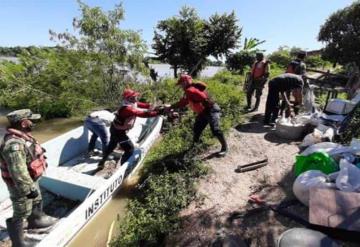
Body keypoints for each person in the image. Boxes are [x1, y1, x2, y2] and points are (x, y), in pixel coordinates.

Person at [0, 109, 57, 247]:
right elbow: (18, 172)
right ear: (24, 123)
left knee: (36, 199)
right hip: (20, 185)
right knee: (21, 210)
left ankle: (37, 220)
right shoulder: (14, 145)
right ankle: (19, 243)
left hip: (31, 179)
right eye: (31, 120)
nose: (34, 123)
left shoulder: (24, 137)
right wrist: (28, 189)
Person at [169, 74, 228, 156]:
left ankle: (225, 148)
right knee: (197, 129)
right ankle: (195, 147)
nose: (181, 86)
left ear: (186, 82)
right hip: (204, 112)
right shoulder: (190, 89)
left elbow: (202, 99)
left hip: (211, 110)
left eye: (181, 84)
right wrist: (171, 106)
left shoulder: (190, 90)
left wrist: (171, 107)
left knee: (215, 129)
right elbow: (184, 102)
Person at [98, 89, 158, 168]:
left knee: (112, 146)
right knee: (129, 149)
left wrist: (152, 106)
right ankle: (123, 169)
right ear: (130, 98)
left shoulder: (132, 103)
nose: (136, 97)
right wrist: (158, 113)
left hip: (115, 128)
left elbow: (142, 105)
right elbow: (141, 114)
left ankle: (101, 163)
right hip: (118, 132)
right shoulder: (127, 109)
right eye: (134, 96)